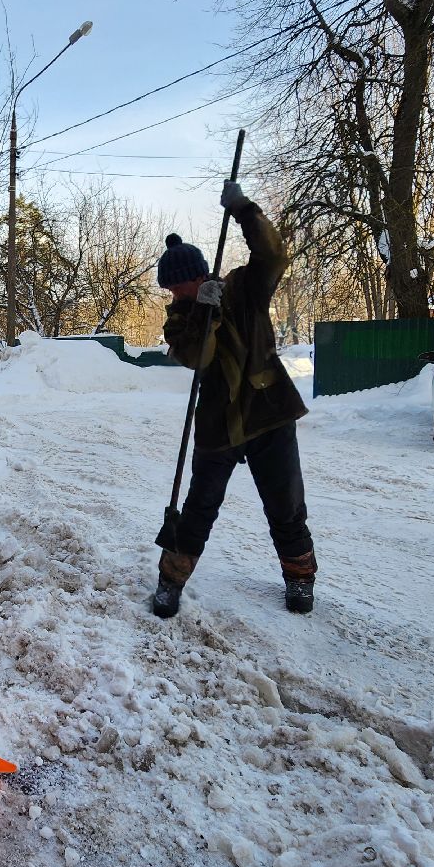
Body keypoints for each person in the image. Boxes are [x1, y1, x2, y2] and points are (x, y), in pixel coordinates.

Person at [153, 182, 317, 618]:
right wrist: (203, 312)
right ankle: (171, 580)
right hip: (217, 423)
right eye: (171, 290)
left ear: (197, 275)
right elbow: (198, 356)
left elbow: (274, 255)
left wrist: (244, 210)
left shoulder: (245, 288)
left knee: (286, 506)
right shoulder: (178, 321)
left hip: (269, 414)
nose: (175, 295)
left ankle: (300, 577)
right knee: (198, 509)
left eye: (179, 287)